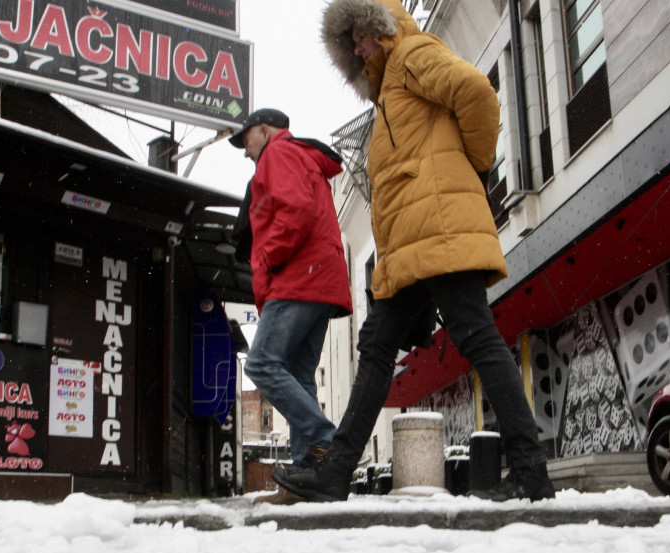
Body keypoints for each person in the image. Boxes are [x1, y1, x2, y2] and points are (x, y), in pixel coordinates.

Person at [275, 0, 555, 502]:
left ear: (378, 27)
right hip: (410, 246)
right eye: (351, 43)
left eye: (360, 35)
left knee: (476, 338)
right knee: (378, 347)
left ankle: (532, 471)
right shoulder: (386, 93)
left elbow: (476, 93)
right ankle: (336, 472)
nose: (357, 48)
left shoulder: (411, 54)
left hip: (439, 229)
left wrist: (474, 165)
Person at [229, 108, 354, 504]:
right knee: (299, 377)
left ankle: (322, 440)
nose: (245, 151)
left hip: (300, 278)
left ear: (265, 130)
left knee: (261, 363)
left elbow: (295, 211)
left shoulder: (279, 153)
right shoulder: (299, 157)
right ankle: (306, 479)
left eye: (246, 140)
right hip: (320, 280)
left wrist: (268, 258)